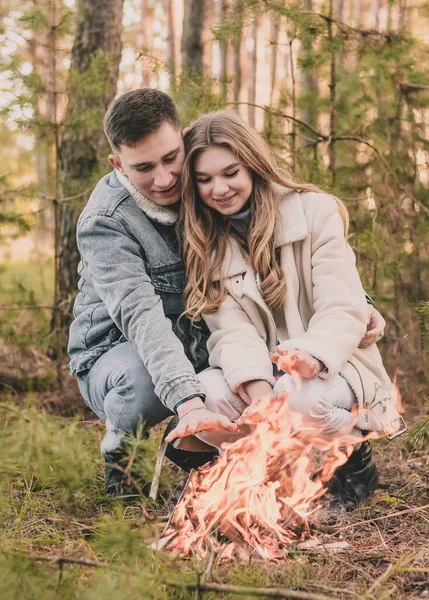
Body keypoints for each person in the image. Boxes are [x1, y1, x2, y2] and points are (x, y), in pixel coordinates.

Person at [68, 89, 386, 501]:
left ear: (182, 141)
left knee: (237, 382)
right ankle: (123, 467)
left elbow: (296, 260)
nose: (163, 179)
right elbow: (142, 321)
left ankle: (299, 464)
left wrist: (361, 304)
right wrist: (189, 403)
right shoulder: (106, 223)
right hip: (125, 350)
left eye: (170, 160)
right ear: (118, 164)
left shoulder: (207, 189)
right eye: (143, 168)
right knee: (153, 381)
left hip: (203, 338)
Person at [165, 109, 405, 510]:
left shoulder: (314, 212)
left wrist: (308, 357)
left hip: (336, 365)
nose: (219, 189)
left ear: (253, 165)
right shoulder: (205, 239)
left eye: (230, 172)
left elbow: (342, 305)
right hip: (261, 367)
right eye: (204, 180)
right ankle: (244, 476)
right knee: (208, 392)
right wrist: (257, 390)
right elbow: (229, 329)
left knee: (301, 399)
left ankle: (352, 459)